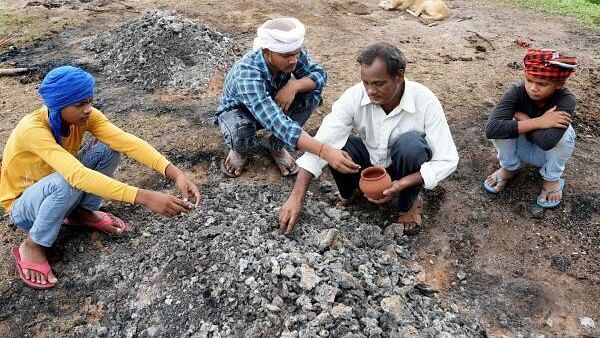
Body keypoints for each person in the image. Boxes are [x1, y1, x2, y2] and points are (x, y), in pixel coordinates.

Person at [0, 66, 201, 289]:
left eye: (89, 101)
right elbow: (76, 175)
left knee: (108, 148)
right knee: (68, 180)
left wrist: (176, 173)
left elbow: (127, 142)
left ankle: (81, 212)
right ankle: (33, 245)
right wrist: (145, 197)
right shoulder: (33, 129)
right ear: (58, 105)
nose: (88, 110)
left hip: (60, 189)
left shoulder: (86, 118)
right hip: (25, 207)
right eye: (79, 105)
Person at [278, 42, 459, 235]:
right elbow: (321, 143)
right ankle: (352, 192)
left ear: (399, 76)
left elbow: (447, 159)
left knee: (411, 146)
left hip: (404, 170)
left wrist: (403, 183)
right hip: (369, 164)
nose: (371, 91)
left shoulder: (425, 100)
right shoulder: (355, 96)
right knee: (335, 146)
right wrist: (296, 197)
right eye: (366, 83)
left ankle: (408, 205)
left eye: (379, 83)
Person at [216, 17, 356, 177]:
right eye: (287, 56)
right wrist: (324, 151)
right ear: (267, 52)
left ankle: (275, 145)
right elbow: (275, 120)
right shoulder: (247, 73)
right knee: (242, 132)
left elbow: (320, 75)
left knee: (311, 92)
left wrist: (294, 85)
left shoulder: (291, 53)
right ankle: (240, 150)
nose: (294, 60)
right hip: (241, 111)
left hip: (272, 104)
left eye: (296, 53)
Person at [484, 48, 577, 208]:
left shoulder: (565, 99)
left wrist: (525, 119)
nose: (533, 88)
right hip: (520, 150)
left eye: (542, 83)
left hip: (546, 155)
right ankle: (509, 167)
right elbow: (491, 130)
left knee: (566, 132)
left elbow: (547, 142)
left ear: (558, 84)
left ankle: (551, 178)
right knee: (501, 124)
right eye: (529, 80)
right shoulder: (516, 91)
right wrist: (540, 121)